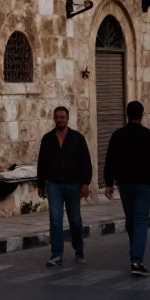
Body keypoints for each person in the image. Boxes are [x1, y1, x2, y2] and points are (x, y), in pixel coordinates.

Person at [103, 100, 150, 276]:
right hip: (144, 184)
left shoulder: (117, 136)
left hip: (124, 184)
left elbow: (110, 161)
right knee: (140, 221)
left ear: (127, 115)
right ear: (142, 115)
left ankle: (135, 254)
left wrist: (109, 183)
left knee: (131, 220)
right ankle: (137, 260)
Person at [37, 106, 92, 267]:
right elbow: (42, 162)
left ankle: (79, 249)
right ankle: (57, 254)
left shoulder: (77, 138)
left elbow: (86, 162)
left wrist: (85, 183)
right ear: (54, 119)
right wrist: (40, 184)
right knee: (55, 219)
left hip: (73, 184)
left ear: (68, 119)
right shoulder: (47, 139)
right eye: (57, 117)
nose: (60, 120)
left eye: (63, 117)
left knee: (75, 219)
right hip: (53, 185)